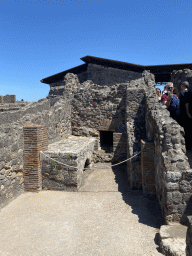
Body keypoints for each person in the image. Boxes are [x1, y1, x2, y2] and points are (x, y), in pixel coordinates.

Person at [179, 81, 192, 150]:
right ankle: (189, 146)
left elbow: (186, 103)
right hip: (188, 114)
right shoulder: (190, 93)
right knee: (189, 130)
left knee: (185, 130)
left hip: (184, 114)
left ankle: (187, 146)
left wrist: (187, 112)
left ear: (183, 86)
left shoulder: (183, 93)